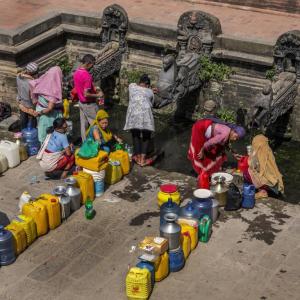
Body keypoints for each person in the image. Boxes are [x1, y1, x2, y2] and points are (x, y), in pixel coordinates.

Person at [124, 74, 156, 166]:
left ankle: (137, 158)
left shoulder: (132, 87)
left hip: (134, 117)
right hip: (146, 117)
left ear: (139, 82)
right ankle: (142, 160)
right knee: (146, 135)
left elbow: (132, 84)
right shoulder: (150, 92)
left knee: (135, 134)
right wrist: (150, 90)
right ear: (147, 85)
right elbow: (152, 103)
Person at [73, 54, 104, 141]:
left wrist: (94, 88)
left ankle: (85, 143)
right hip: (89, 104)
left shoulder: (76, 72)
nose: (93, 66)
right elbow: (86, 94)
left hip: (81, 103)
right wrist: (98, 95)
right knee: (97, 124)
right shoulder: (87, 76)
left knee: (84, 125)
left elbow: (82, 86)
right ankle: (99, 143)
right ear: (88, 63)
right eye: (92, 64)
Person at [244, 134, 284, 199]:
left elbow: (253, 167)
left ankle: (261, 190)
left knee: (246, 172)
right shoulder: (268, 151)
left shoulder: (257, 152)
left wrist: (251, 156)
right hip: (275, 183)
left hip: (267, 184)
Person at [30, 66, 63, 143]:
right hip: (48, 116)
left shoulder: (42, 82)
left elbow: (32, 85)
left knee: (42, 132)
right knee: (49, 136)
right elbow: (50, 108)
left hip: (39, 108)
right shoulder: (53, 90)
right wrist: (39, 113)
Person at [16, 62, 39, 129]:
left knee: (23, 119)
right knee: (33, 119)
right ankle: (32, 130)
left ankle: (23, 131)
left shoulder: (18, 76)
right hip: (30, 105)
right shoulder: (32, 83)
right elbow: (33, 98)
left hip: (21, 102)